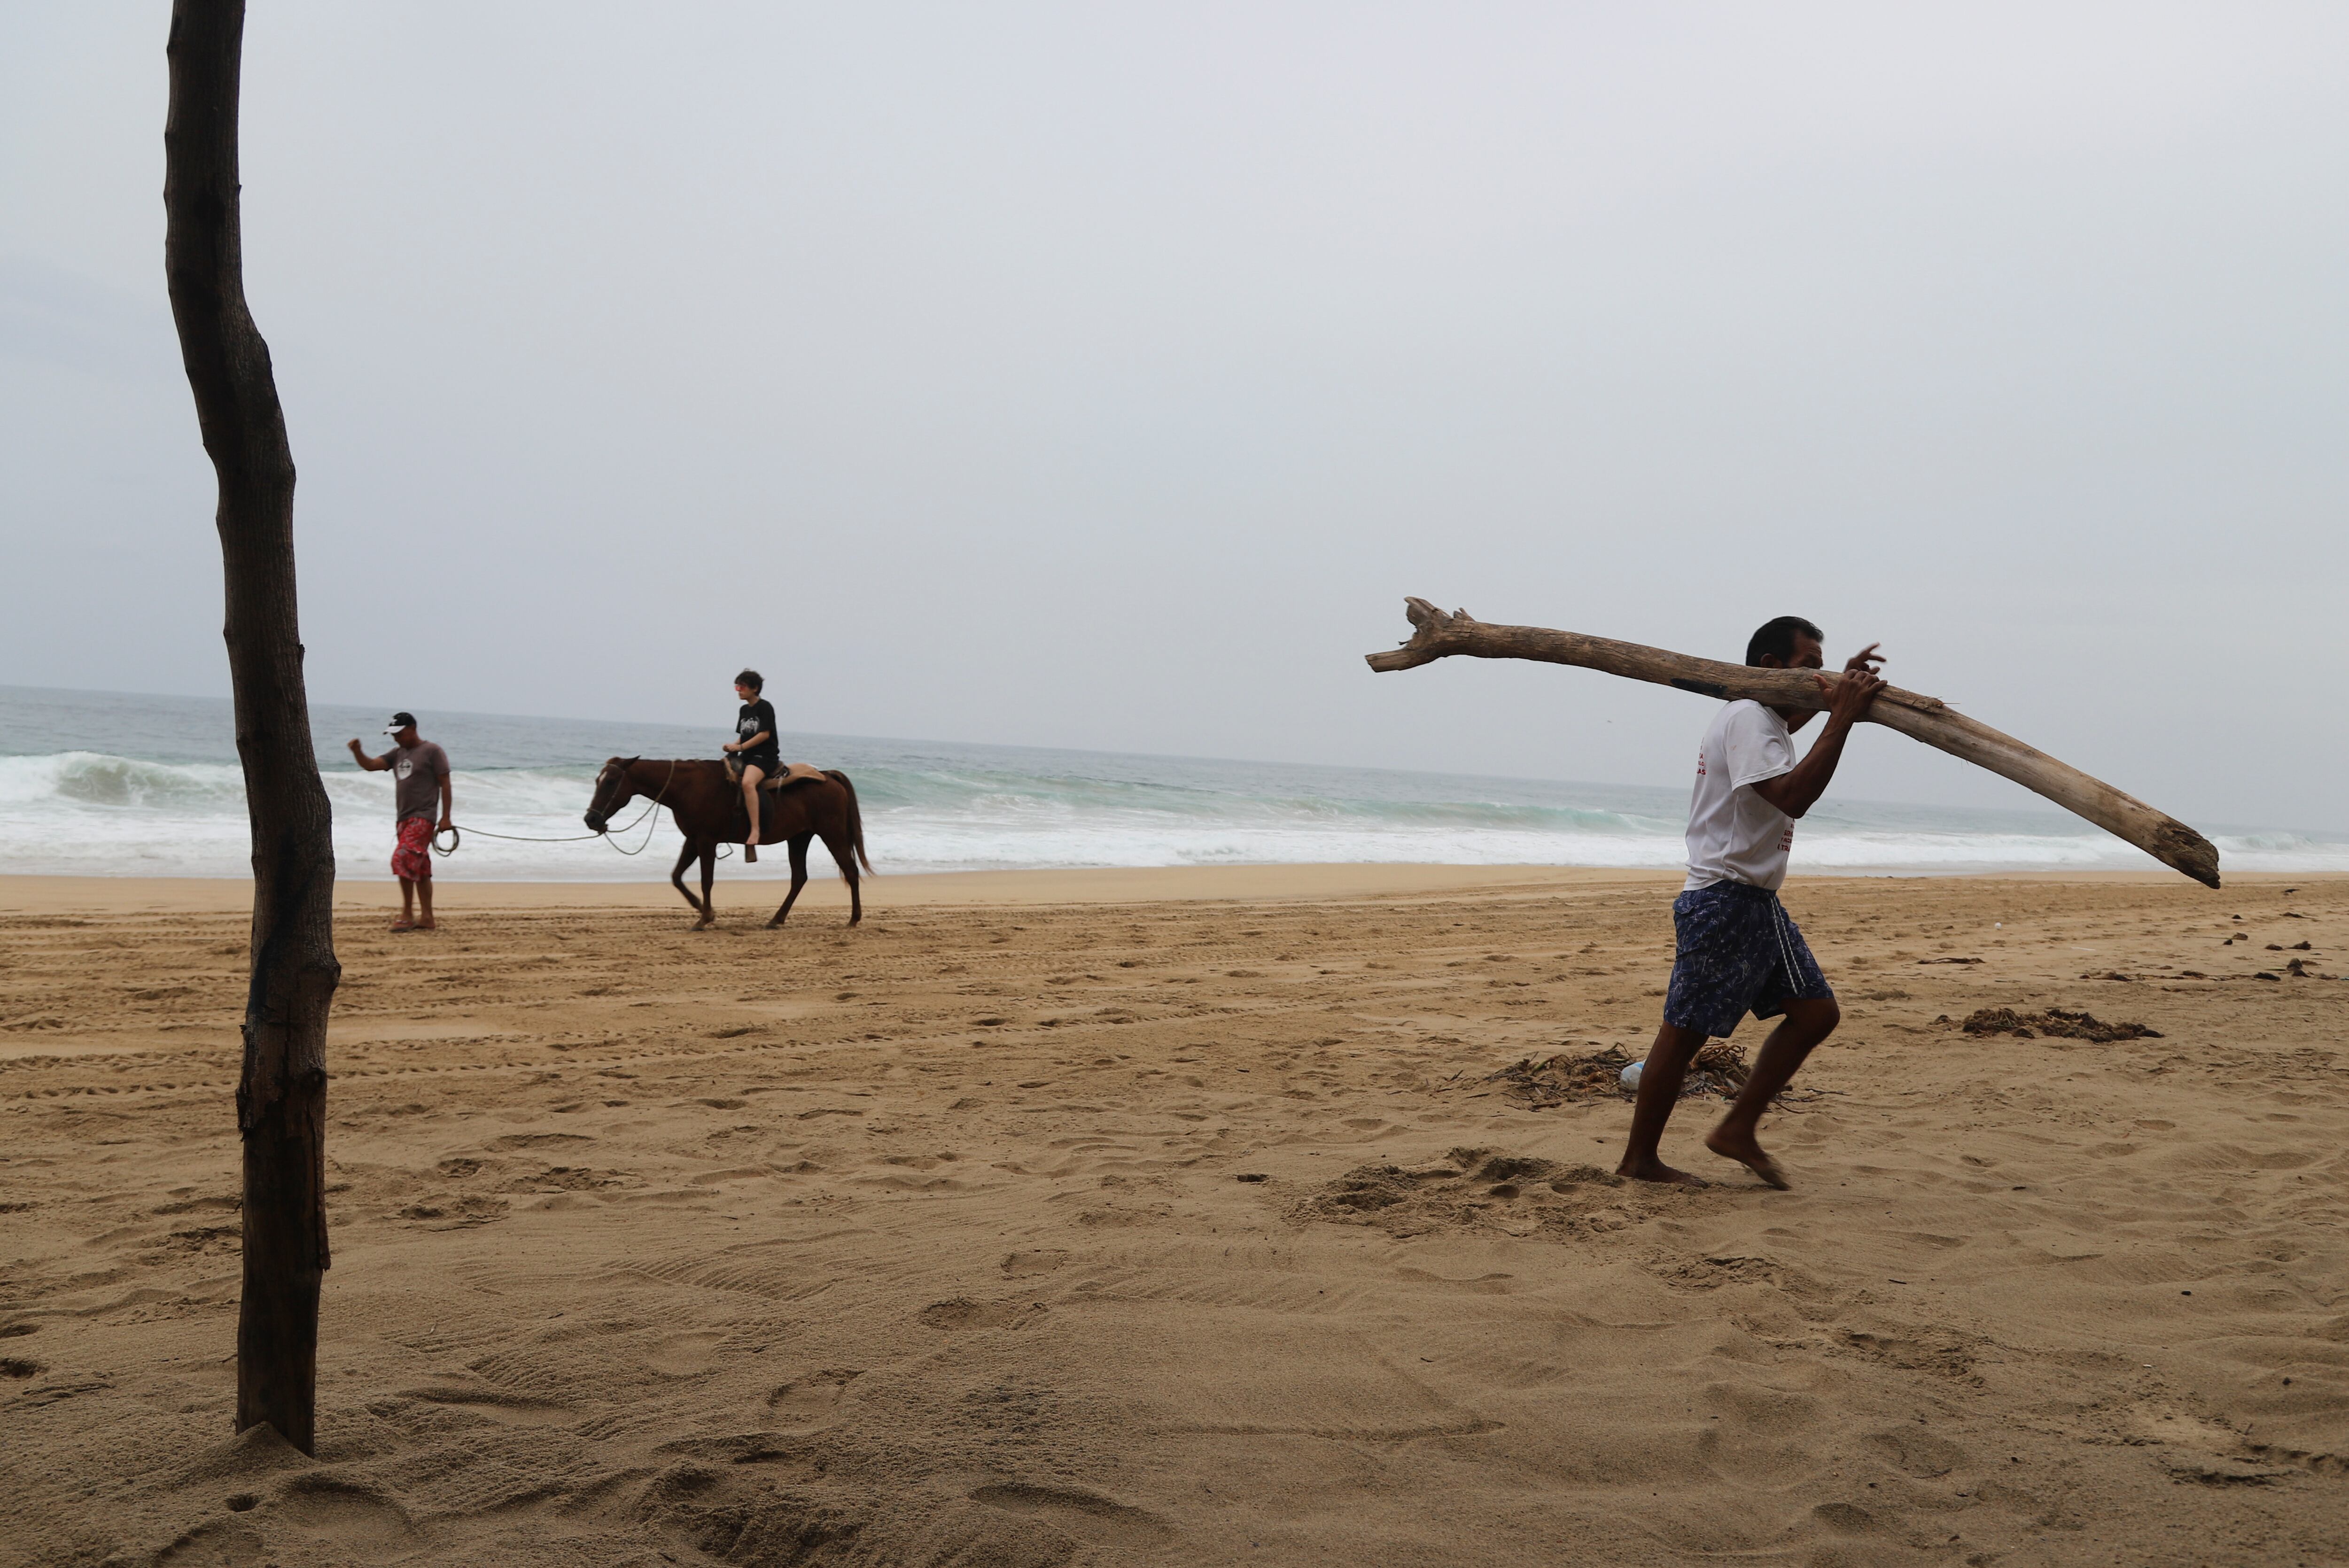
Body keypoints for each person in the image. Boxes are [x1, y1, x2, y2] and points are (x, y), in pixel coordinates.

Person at [1616, 616, 1886, 1190]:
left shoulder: (1764, 721)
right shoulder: (1744, 717)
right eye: (1807, 665)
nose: (1816, 674)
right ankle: (1639, 1159)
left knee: (1816, 1013)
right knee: (1683, 1032)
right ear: (1768, 667)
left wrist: (1837, 695)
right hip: (1723, 897)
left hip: (1755, 899)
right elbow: (1792, 797)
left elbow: (1787, 724)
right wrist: (1841, 715)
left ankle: (1736, 1129)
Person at [348, 712, 453, 932]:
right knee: (421, 868)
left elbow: (445, 783)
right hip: (403, 818)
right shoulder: (398, 754)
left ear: (413, 729)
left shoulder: (432, 751)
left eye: (399, 734)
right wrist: (358, 752)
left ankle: (407, 913)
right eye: (393, 735)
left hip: (424, 817)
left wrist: (445, 817)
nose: (396, 738)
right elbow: (371, 765)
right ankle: (427, 918)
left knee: (402, 858)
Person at [722, 669, 780, 861]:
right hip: (747, 755)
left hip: (765, 756)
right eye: (737, 687)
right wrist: (734, 746)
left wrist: (740, 746)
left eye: (742, 687)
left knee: (748, 783)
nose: (738, 690)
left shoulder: (765, 707)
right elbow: (745, 733)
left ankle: (755, 831)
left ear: (754, 689)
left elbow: (764, 735)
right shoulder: (744, 710)